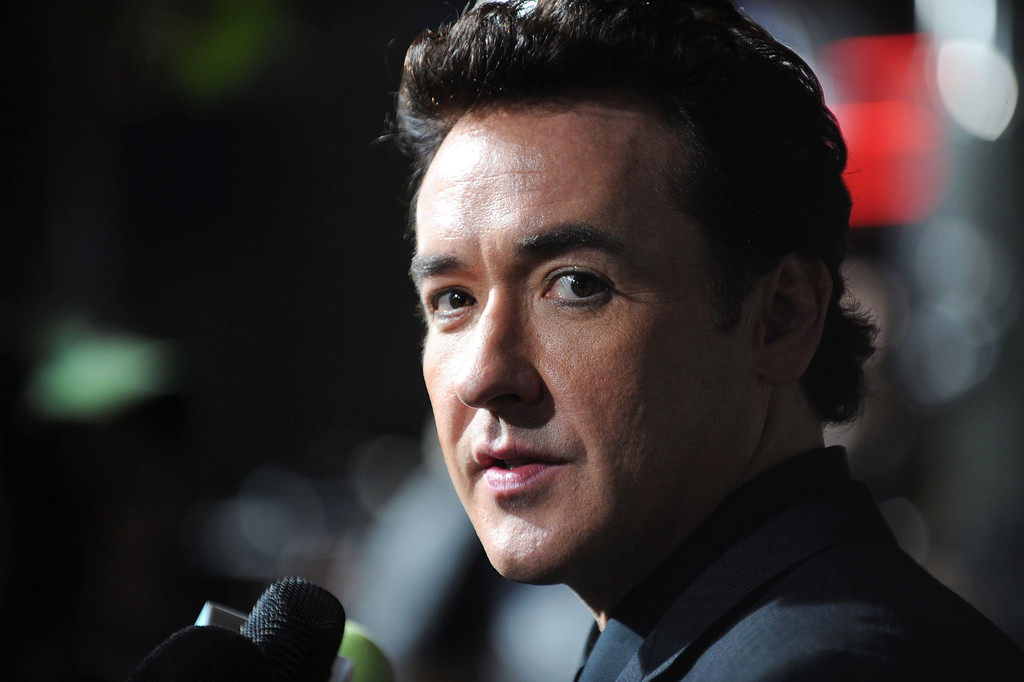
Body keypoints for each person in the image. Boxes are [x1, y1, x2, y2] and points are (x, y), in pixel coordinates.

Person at [392, 0, 1024, 679]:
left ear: (782, 317)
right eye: (453, 300)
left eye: (576, 285)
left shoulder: (819, 668)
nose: (483, 375)